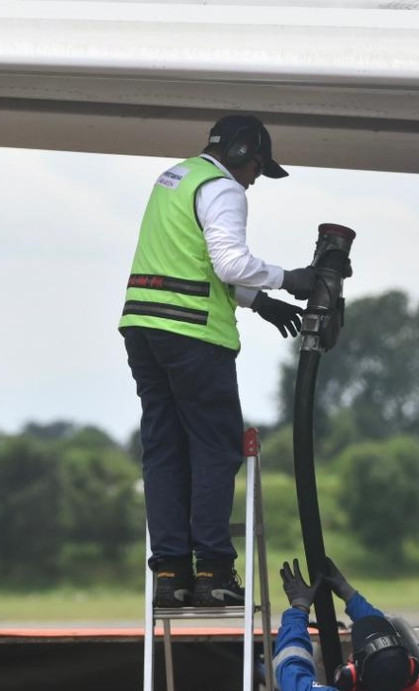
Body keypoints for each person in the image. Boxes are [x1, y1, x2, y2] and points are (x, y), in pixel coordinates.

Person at [120, 114, 317, 607]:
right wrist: (292, 279)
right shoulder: (225, 189)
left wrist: (256, 301)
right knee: (213, 448)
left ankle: (170, 575)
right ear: (240, 153)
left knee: (164, 450)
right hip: (191, 336)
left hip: (144, 329)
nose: (255, 179)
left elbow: (195, 260)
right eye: (256, 167)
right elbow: (229, 261)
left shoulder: (175, 178)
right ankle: (213, 572)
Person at [275, 558, 419, 691]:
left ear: (352, 675)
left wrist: (299, 608)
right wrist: (348, 594)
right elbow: (384, 634)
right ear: (410, 669)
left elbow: (291, 671)